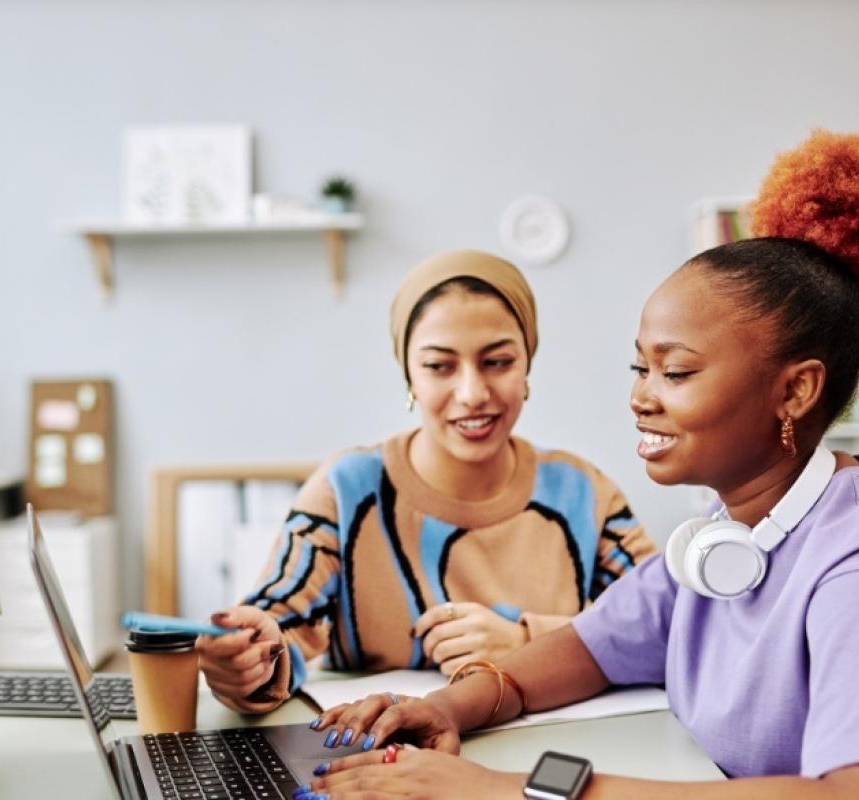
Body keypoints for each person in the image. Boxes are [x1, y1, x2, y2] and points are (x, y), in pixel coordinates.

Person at [298, 131, 859, 798]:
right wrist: (450, 706)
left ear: (796, 391)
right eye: (640, 367)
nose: (640, 398)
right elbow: (588, 650)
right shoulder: (728, 538)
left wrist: (508, 790)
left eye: (675, 372)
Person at [196, 249, 656, 714]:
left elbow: (672, 630)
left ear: (527, 366)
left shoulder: (583, 492)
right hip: (376, 749)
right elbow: (275, 633)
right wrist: (247, 662)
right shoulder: (347, 490)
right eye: (439, 366)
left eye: (498, 361)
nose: (472, 393)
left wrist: (528, 642)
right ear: (409, 377)